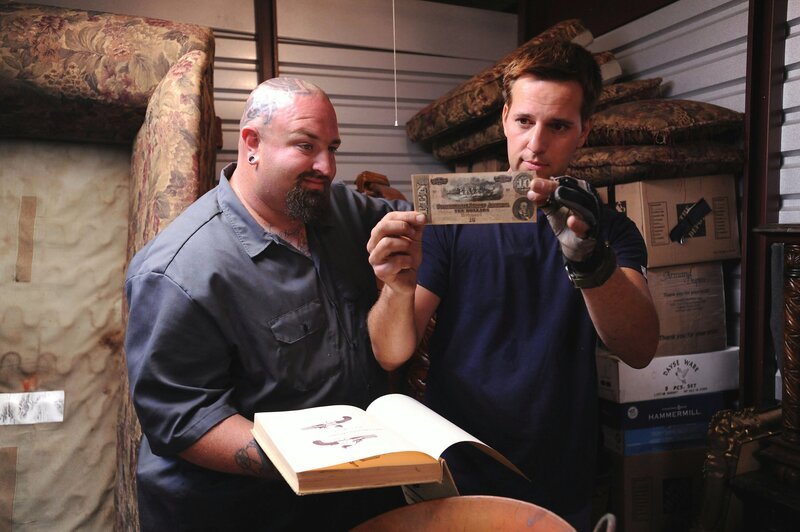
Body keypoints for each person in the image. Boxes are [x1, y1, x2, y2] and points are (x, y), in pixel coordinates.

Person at [366, 41, 659, 531]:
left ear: (584, 131)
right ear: (504, 119)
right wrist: (395, 286)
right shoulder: (452, 220)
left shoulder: (609, 230)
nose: (536, 144)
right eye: (525, 121)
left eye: (559, 126)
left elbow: (640, 347)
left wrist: (590, 264)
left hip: (559, 476)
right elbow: (392, 354)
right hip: (458, 470)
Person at [124, 77, 407, 531]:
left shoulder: (337, 211)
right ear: (252, 143)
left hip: (352, 493)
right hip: (243, 510)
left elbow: (422, 221)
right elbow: (185, 419)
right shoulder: (179, 272)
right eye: (305, 146)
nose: (328, 166)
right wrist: (310, 460)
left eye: (333, 147)